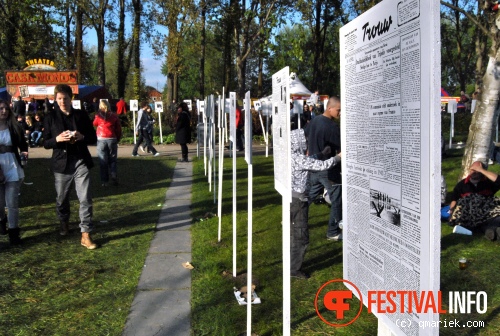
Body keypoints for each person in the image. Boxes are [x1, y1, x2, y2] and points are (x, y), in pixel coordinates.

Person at [43, 84, 98, 250]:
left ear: (70, 98)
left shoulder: (80, 115)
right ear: (55, 99)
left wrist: (82, 136)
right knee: (62, 198)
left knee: (85, 198)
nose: (62, 101)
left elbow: (93, 137)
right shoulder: (51, 117)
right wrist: (57, 140)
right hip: (61, 164)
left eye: (65, 98)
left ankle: (85, 234)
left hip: (80, 161)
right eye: (59, 99)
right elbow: (45, 142)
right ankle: (64, 221)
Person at [290, 128, 341, 279]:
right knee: (301, 236)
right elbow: (322, 166)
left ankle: (291, 264)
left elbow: (309, 160)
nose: (306, 143)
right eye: (304, 141)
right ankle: (294, 269)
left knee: (294, 233)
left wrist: (321, 154)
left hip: (291, 198)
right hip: (298, 201)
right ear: (297, 142)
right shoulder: (297, 159)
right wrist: (339, 157)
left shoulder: (290, 156)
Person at [306, 96, 343, 241]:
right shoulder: (332, 127)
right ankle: (333, 232)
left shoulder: (314, 120)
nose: (340, 113)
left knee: (307, 197)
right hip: (328, 169)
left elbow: (306, 134)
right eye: (338, 110)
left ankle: (291, 218)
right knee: (337, 200)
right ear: (330, 108)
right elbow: (340, 147)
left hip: (313, 166)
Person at [0, 100, 29, 244]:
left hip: (12, 165)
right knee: (0, 203)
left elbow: (23, 145)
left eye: (6, 109)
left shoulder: (14, 126)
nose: (4, 111)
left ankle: (13, 232)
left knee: (12, 202)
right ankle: (2, 220)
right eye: (0, 109)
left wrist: (24, 153)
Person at [449, 161, 500, 240]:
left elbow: (498, 180)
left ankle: (492, 231)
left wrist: (482, 170)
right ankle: (491, 231)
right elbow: (454, 200)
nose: (474, 172)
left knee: (496, 218)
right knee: (470, 221)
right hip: (470, 214)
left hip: (487, 212)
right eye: (473, 169)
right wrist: (451, 214)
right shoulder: (461, 185)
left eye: (477, 170)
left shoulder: (488, 183)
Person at [93, 99, 122, 186]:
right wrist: (118, 138)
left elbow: (94, 123)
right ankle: (113, 173)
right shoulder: (114, 116)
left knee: (103, 161)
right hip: (112, 138)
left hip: (101, 139)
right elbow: (118, 129)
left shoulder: (98, 116)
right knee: (112, 159)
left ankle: (104, 181)